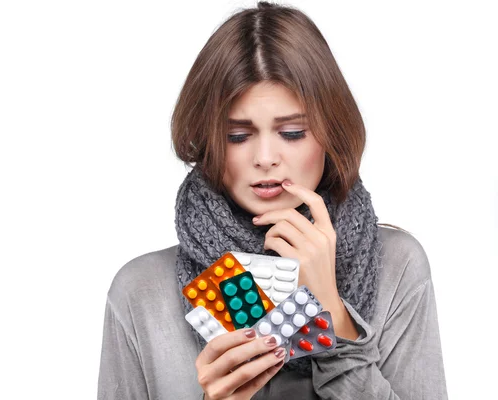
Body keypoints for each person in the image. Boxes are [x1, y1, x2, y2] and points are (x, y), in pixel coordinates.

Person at [97, 2, 448, 399]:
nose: (265, 157)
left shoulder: (398, 266)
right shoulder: (141, 291)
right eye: (237, 136)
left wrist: (332, 313)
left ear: (332, 134)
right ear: (207, 141)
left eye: (293, 132)